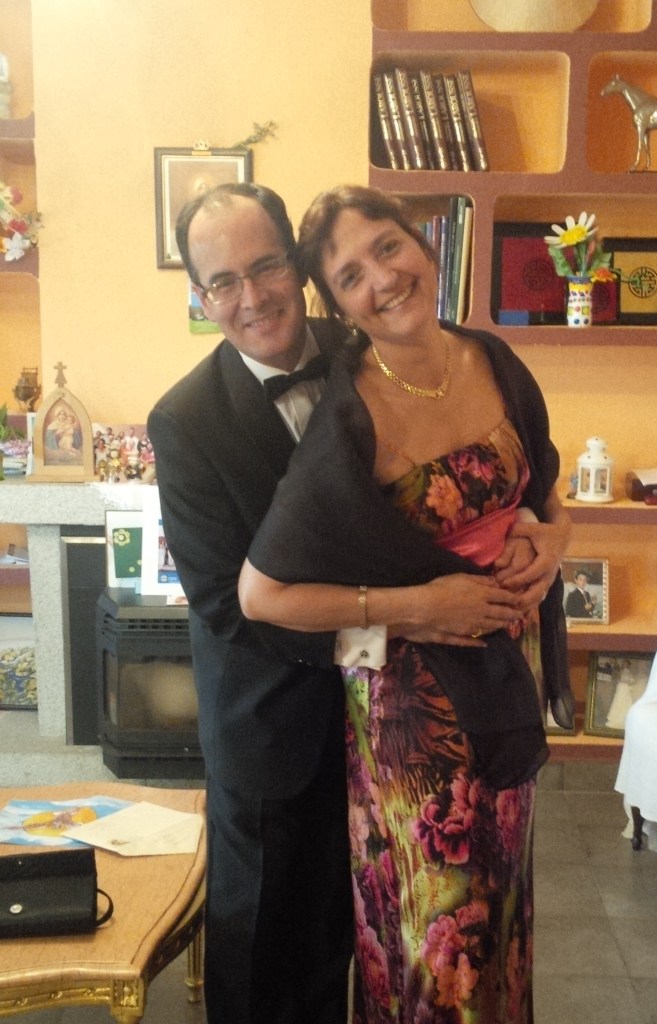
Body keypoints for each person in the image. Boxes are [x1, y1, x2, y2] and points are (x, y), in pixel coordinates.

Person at [147, 182, 534, 1024]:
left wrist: (539, 527)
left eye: (267, 267)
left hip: (393, 730)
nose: (253, 297)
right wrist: (405, 619)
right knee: (266, 952)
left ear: (299, 268)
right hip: (275, 727)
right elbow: (228, 606)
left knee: (377, 936)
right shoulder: (183, 420)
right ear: (200, 297)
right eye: (224, 282)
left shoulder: (366, 347)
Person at [238, 185, 574, 1023]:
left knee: (500, 910)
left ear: (423, 244)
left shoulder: (492, 358)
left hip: (508, 681)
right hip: (416, 728)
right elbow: (263, 594)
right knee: (442, 939)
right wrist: (416, 607)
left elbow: (546, 488)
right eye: (351, 276)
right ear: (338, 306)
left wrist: (553, 539)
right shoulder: (348, 417)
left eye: (387, 247)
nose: (383, 279)